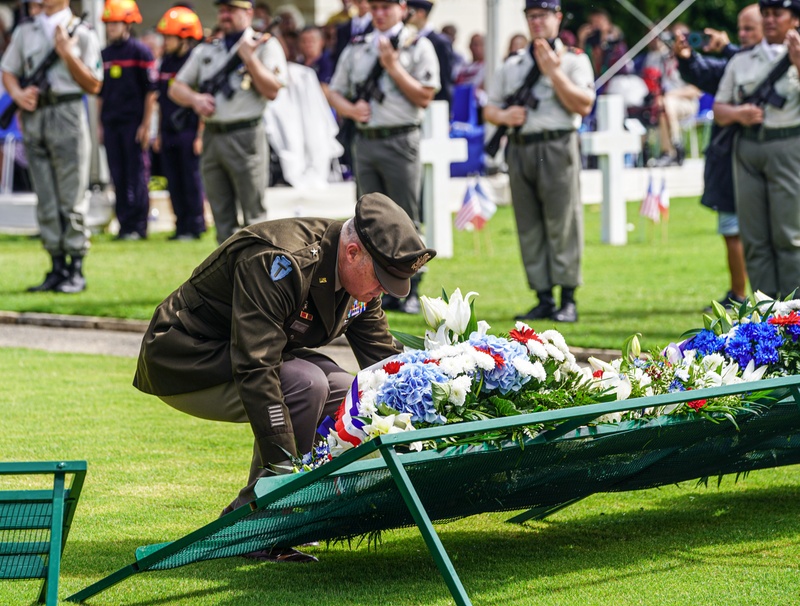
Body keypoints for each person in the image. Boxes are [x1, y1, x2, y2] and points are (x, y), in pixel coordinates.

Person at [133, 192, 436, 561]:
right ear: (353, 252)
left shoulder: (361, 281)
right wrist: (284, 471)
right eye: (381, 278)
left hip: (244, 357)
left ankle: (305, 511)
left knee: (347, 391)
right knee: (307, 384)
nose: (383, 292)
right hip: (185, 359)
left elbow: (383, 367)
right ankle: (253, 524)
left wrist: (433, 416)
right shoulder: (279, 260)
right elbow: (256, 365)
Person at [484, 0, 594, 323]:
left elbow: (584, 104)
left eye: (543, 16)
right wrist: (504, 115)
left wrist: (553, 74)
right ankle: (543, 296)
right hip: (520, 147)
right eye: (531, 17)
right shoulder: (514, 63)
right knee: (529, 225)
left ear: (557, 18)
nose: (536, 23)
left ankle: (568, 297)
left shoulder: (573, 60)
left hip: (556, 145)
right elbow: (490, 108)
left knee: (563, 223)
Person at [328, 0, 440, 314]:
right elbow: (334, 89)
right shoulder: (358, 46)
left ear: (402, 8)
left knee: (407, 215)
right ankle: (372, 285)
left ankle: (411, 288)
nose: (379, 13)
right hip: (366, 141)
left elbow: (425, 95)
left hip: (401, 138)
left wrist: (393, 66)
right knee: (367, 218)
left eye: (386, 7)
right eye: (375, 7)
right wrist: (350, 110)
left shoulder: (418, 46)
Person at [1, 0, 102, 293]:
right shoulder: (26, 30)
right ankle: (56, 264)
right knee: (45, 195)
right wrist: (18, 95)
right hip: (35, 116)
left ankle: (76, 268)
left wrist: (68, 55)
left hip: (66, 112)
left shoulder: (81, 32)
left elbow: (94, 84)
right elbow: (8, 69)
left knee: (71, 195)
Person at [169, 0, 287, 245]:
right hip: (213, 136)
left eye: (231, 10)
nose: (225, 15)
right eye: (222, 10)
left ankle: (257, 276)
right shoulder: (208, 49)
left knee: (254, 217)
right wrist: (195, 99)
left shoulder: (264, 45)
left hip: (246, 135)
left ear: (248, 13)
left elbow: (273, 90)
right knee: (221, 217)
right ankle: (227, 277)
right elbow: (176, 88)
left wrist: (250, 60)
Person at [674, 4, 762, 310]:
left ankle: (765, 298)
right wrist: (687, 58)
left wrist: (727, 48)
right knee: (730, 229)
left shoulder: (769, 60)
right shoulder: (733, 63)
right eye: (741, 28)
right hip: (728, 162)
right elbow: (704, 73)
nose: (743, 34)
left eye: (750, 28)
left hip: (759, 160)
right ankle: (739, 295)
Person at [714, 0, 800, 299]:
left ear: (794, 19)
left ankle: (793, 314)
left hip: (788, 146)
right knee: (754, 238)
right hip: (748, 148)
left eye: (778, 14)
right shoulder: (742, 60)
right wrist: (739, 114)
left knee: (789, 235)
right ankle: (765, 312)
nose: (770, 20)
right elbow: (719, 109)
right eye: (766, 14)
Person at [99, 0, 157, 242]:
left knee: (136, 175)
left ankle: (138, 226)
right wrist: (99, 125)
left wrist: (145, 125)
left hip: (133, 124)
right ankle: (124, 225)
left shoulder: (140, 52)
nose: (110, 28)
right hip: (111, 124)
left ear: (128, 23)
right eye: (109, 23)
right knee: (118, 174)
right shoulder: (104, 54)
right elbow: (99, 94)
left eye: (115, 23)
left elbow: (150, 93)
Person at [154, 5, 207, 241]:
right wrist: (158, 132)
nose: (165, 41)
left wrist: (200, 135)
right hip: (168, 130)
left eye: (169, 37)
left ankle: (195, 225)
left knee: (191, 179)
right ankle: (180, 224)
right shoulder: (165, 63)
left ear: (184, 38)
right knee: (173, 180)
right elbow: (159, 100)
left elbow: (204, 102)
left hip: (189, 130)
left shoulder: (195, 62)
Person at [405, 0, 453, 103]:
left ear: (421, 13)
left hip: (433, 101)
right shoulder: (409, 39)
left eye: (409, 10)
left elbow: (445, 79)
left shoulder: (440, 42)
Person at [332, 0, 372, 69]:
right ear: (354, 2)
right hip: (346, 67)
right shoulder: (343, 28)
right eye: (360, 2)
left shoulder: (376, 26)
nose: (363, 5)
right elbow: (339, 52)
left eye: (367, 2)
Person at [299, 25, 334, 92]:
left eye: (312, 41)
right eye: (304, 41)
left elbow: (325, 90)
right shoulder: (297, 64)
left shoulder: (328, 64)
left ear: (321, 42)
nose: (308, 44)